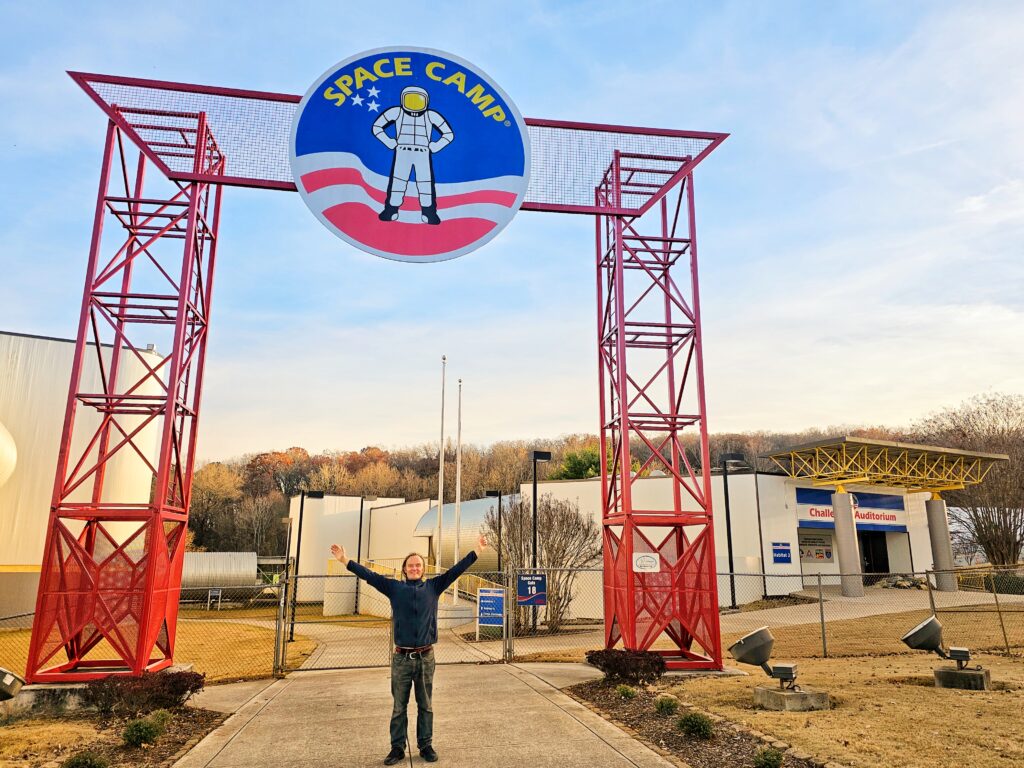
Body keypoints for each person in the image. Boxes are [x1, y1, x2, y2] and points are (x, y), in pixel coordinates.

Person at [330, 534, 486, 765]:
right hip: (401, 659)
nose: (414, 568)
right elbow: (369, 576)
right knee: (398, 707)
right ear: (404, 569)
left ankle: (426, 745)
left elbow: (456, 570)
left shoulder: (434, 586)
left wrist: (476, 553)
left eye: (418, 565)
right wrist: (345, 560)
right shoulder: (394, 588)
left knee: (426, 705)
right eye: (410, 565)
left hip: (425, 657)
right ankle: (397, 748)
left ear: (423, 569)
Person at [371, 85, 454, 225]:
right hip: (402, 151)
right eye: (410, 99)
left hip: (423, 153)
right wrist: (389, 142)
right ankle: (391, 210)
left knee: (425, 183)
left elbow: (448, 134)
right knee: (398, 182)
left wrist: (435, 146)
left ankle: (429, 212)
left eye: (419, 99)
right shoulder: (396, 112)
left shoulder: (431, 115)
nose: (414, 103)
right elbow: (377, 127)